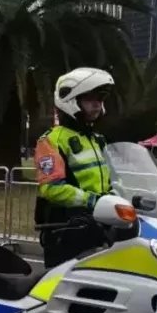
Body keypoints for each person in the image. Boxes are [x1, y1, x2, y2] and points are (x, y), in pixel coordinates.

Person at [34, 67, 115, 268]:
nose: (97, 104)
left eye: (101, 99)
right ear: (70, 101)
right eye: (90, 98)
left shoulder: (96, 140)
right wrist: (94, 201)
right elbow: (51, 188)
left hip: (97, 226)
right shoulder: (52, 140)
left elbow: (107, 180)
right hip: (66, 230)